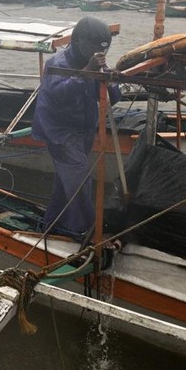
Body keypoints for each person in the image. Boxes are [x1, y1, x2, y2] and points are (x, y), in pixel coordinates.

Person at [32, 16, 121, 241]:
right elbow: (59, 94)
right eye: (94, 47)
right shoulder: (57, 62)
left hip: (83, 128)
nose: (99, 53)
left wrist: (109, 79)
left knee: (65, 183)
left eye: (104, 49)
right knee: (80, 179)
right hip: (59, 130)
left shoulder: (97, 61)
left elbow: (114, 96)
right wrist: (87, 71)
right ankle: (87, 232)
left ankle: (51, 226)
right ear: (79, 40)